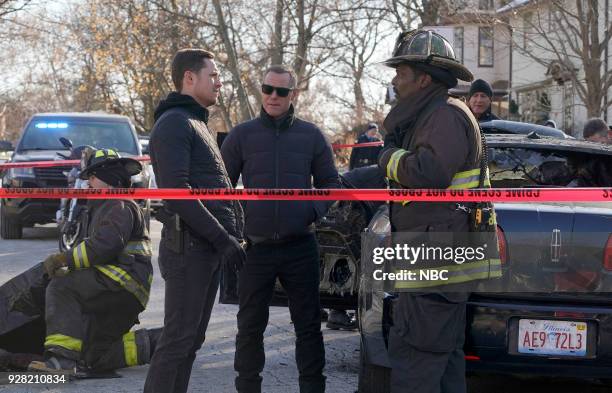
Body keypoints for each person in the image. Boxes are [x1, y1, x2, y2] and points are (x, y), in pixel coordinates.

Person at [377, 30, 501, 393]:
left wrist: (387, 158)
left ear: (424, 78)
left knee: (416, 358)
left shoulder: (443, 115)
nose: (395, 81)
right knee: (442, 361)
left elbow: (429, 173)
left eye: (401, 73)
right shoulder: (437, 113)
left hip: (435, 258)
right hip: (438, 254)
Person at [221, 64, 340, 393]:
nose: (273, 96)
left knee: (308, 327)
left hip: (300, 246)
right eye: (267, 89)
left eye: (281, 91)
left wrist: (310, 212)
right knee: (249, 328)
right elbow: (220, 189)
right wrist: (235, 226)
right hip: (255, 249)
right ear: (261, 91)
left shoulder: (311, 135)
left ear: (294, 95)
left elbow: (331, 184)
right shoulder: (241, 135)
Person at [144, 49, 245, 393]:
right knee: (177, 341)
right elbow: (177, 192)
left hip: (205, 250)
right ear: (190, 78)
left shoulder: (197, 122)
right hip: (189, 249)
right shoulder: (175, 122)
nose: (219, 82)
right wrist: (221, 238)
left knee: (190, 341)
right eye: (213, 75)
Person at [28, 148, 153, 375]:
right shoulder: (105, 206)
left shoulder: (119, 205)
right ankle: (162, 343)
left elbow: (104, 247)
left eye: (92, 177)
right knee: (92, 356)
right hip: (126, 287)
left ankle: (61, 362)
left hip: (122, 281)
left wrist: (63, 259)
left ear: (108, 178)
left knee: (62, 287)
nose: (87, 183)